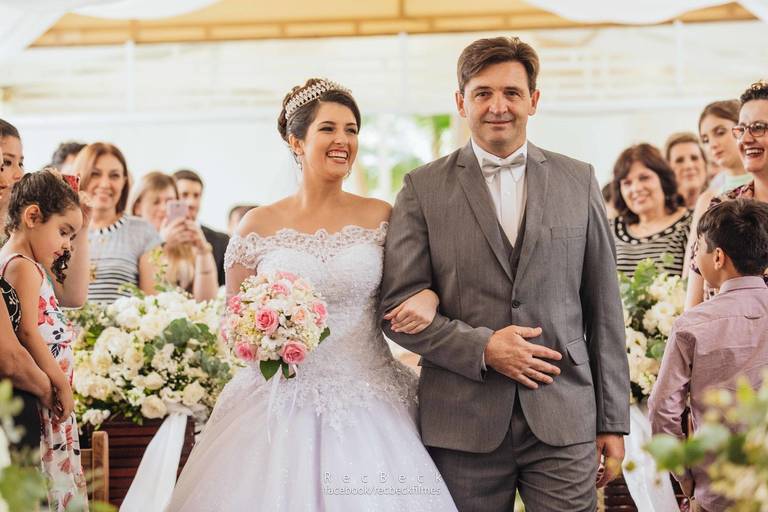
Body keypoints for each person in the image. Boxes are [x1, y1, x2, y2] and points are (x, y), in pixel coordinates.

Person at [167, 78, 456, 512]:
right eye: (328, 128)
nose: (343, 140)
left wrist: (428, 298)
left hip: (372, 398)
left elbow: (415, 285)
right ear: (296, 141)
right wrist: (266, 336)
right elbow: (234, 320)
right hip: (278, 404)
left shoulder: (381, 216)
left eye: (351, 130)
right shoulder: (256, 225)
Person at [380, 37, 629, 512]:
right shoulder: (421, 188)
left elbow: (604, 307)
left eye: (512, 93)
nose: (498, 106)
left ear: (533, 100)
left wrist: (612, 421)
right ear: (461, 103)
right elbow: (397, 311)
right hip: (461, 422)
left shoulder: (579, 180)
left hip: (564, 415)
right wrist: (484, 348)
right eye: (483, 93)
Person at [649, 198, 768, 512]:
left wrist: (685, 476)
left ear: (717, 257)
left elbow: (662, 409)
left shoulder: (692, 324)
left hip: (717, 489)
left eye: (697, 247)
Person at [0, 170, 88, 511]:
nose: (67, 245)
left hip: (44, 393)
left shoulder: (25, 263)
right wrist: (58, 382)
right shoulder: (22, 266)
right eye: (63, 232)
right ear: (33, 217)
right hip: (41, 397)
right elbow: (26, 332)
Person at [685, 81, 768, 309]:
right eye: (741, 129)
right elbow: (693, 308)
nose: (746, 139)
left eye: (758, 127)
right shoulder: (719, 208)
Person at [0, 119, 91, 308]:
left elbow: (71, 297)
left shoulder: (31, 231)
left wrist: (82, 227)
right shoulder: (24, 234)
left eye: (21, 163)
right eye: (7, 162)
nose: (19, 174)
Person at [0, 142, 53, 451]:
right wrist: (49, 387)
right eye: (4, 164)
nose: (12, 176)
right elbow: (9, 357)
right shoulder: (19, 263)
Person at [73, 143, 161, 303]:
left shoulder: (143, 231)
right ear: (79, 177)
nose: (105, 184)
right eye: (95, 174)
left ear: (124, 181)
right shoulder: (63, 232)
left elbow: (152, 304)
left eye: (114, 176)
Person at [129, 171, 218, 301]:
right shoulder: (131, 242)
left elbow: (206, 301)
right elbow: (150, 299)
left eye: (169, 201)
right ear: (137, 207)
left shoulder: (184, 242)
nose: (163, 208)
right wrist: (161, 243)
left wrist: (202, 250)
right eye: (156, 202)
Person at [610, 143, 692, 277]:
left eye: (644, 178)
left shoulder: (690, 224)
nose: (636, 188)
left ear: (663, 180)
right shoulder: (611, 229)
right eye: (627, 183)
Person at [173, 169, 230, 286]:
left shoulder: (222, 241)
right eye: (184, 195)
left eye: (196, 196)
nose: (191, 203)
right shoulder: (156, 239)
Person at [664, 132, 708, 209]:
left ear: (705, 163)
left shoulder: (722, 202)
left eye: (694, 158)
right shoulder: (662, 211)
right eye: (679, 160)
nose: (689, 165)